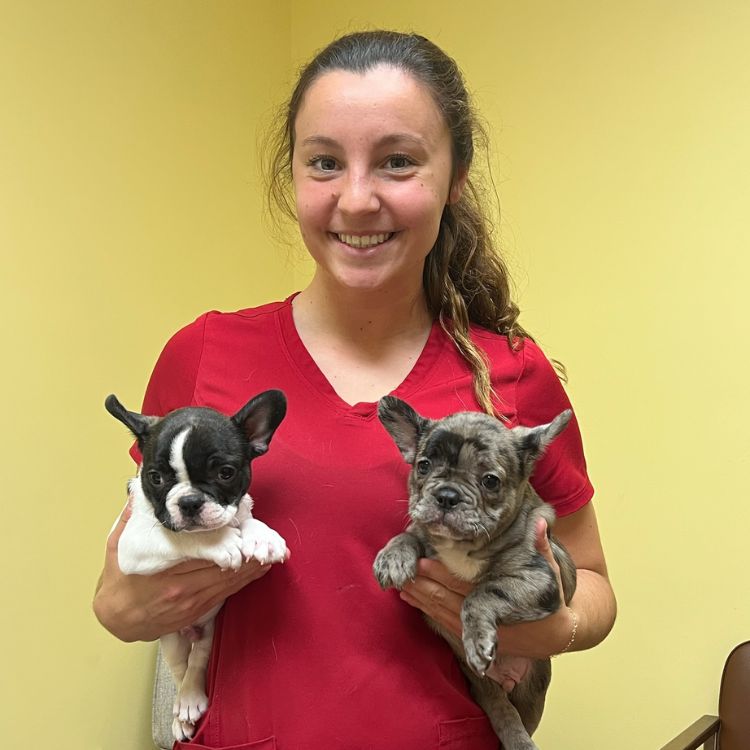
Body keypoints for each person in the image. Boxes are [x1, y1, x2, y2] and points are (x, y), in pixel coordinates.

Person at [94, 30, 616, 749]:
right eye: (325, 163)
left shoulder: (515, 375)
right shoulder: (203, 354)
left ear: (456, 176)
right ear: (295, 174)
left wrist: (553, 627)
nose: (357, 198)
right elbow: (122, 583)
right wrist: (124, 609)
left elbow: (592, 583)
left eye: (397, 161)